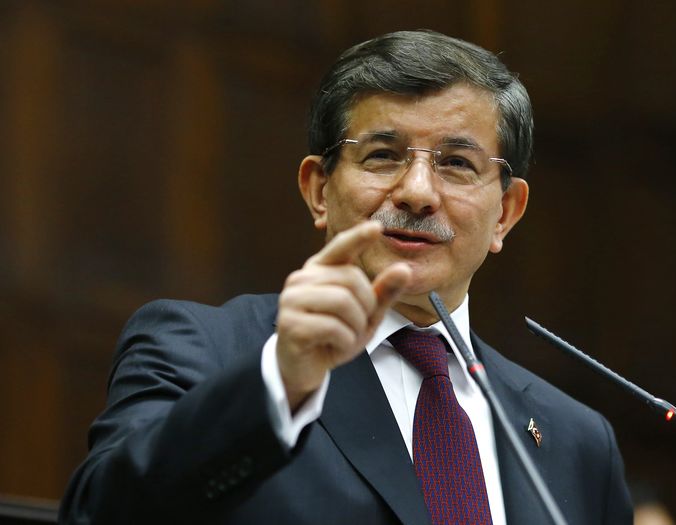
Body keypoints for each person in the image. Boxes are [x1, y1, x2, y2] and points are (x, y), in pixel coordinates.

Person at [60, 30, 632, 524]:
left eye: (457, 164)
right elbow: (100, 513)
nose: (417, 192)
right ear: (318, 190)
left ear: (505, 212)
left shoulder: (575, 440)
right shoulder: (206, 350)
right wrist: (281, 385)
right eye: (382, 155)